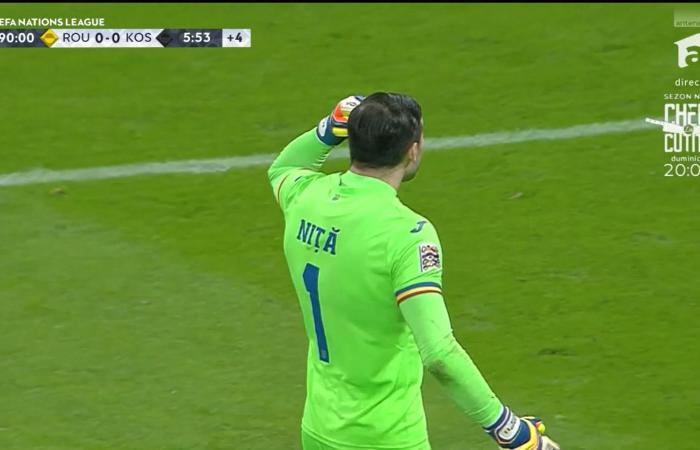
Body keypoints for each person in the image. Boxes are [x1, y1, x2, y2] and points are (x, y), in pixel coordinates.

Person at [267, 93, 559, 450]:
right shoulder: (406, 234)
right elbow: (438, 353)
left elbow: (282, 168)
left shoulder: (307, 197)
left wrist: (328, 128)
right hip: (385, 437)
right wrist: (508, 429)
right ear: (413, 151)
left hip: (318, 429)